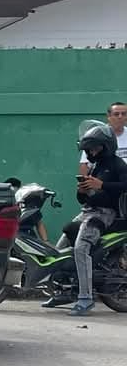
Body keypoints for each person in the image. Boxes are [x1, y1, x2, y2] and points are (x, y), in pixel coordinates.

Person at [45, 123, 127, 315]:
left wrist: (103, 185)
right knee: (60, 250)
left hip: (105, 214)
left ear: (106, 147)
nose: (91, 151)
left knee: (81, 249)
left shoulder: (117, 164)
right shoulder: (95, 167)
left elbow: (124, 185)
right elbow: (84, 198)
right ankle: (63, 291)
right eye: (89, 149)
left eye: (95, 148)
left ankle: (85, 298)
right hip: (88, 211)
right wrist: (81, 191)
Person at [78, 102, 127, 176]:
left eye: (123, 114)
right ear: (109, 116)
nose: (120, 117)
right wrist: (83, 184)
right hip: (104, 182)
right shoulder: (97, 136)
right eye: (116, 114)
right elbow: (85, 164)